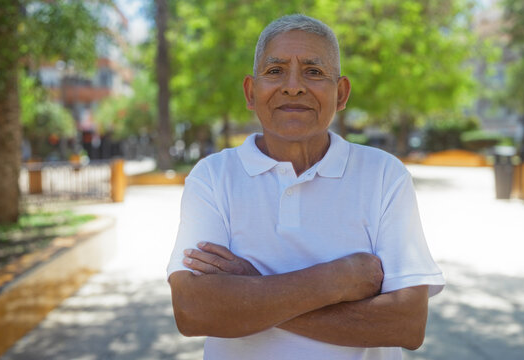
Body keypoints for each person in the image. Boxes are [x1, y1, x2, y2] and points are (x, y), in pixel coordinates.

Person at [167, 14, 445, 360]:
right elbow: (194, 310)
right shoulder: (212, 176)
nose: (293, 86)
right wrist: (339, 278)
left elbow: (406, 324)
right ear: (251, 93)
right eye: (275, 71)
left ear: (341, 93)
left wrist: (250, 286)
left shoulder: (384, 175)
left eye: (313, 72)